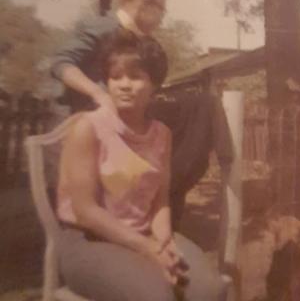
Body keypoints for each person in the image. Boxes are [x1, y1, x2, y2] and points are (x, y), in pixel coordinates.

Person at [56, 31, 225, 301]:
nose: (124, 85)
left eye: (135, 77)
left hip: (144, 233)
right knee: (156, 297)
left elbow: (160, 200)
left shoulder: (161, 134)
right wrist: (148, 248)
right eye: (116, 77)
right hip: (88, 241)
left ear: (154, 84)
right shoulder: (87, 128)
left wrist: (164, 242)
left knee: (208, 291)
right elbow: (85, 212)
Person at [50, 0, 167, 118]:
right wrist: (97, 93)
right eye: (161, 9)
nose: (162, 18)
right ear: (144, 2)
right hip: (80, 119)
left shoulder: (143, 41)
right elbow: (61, 62)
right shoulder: (104, 27)